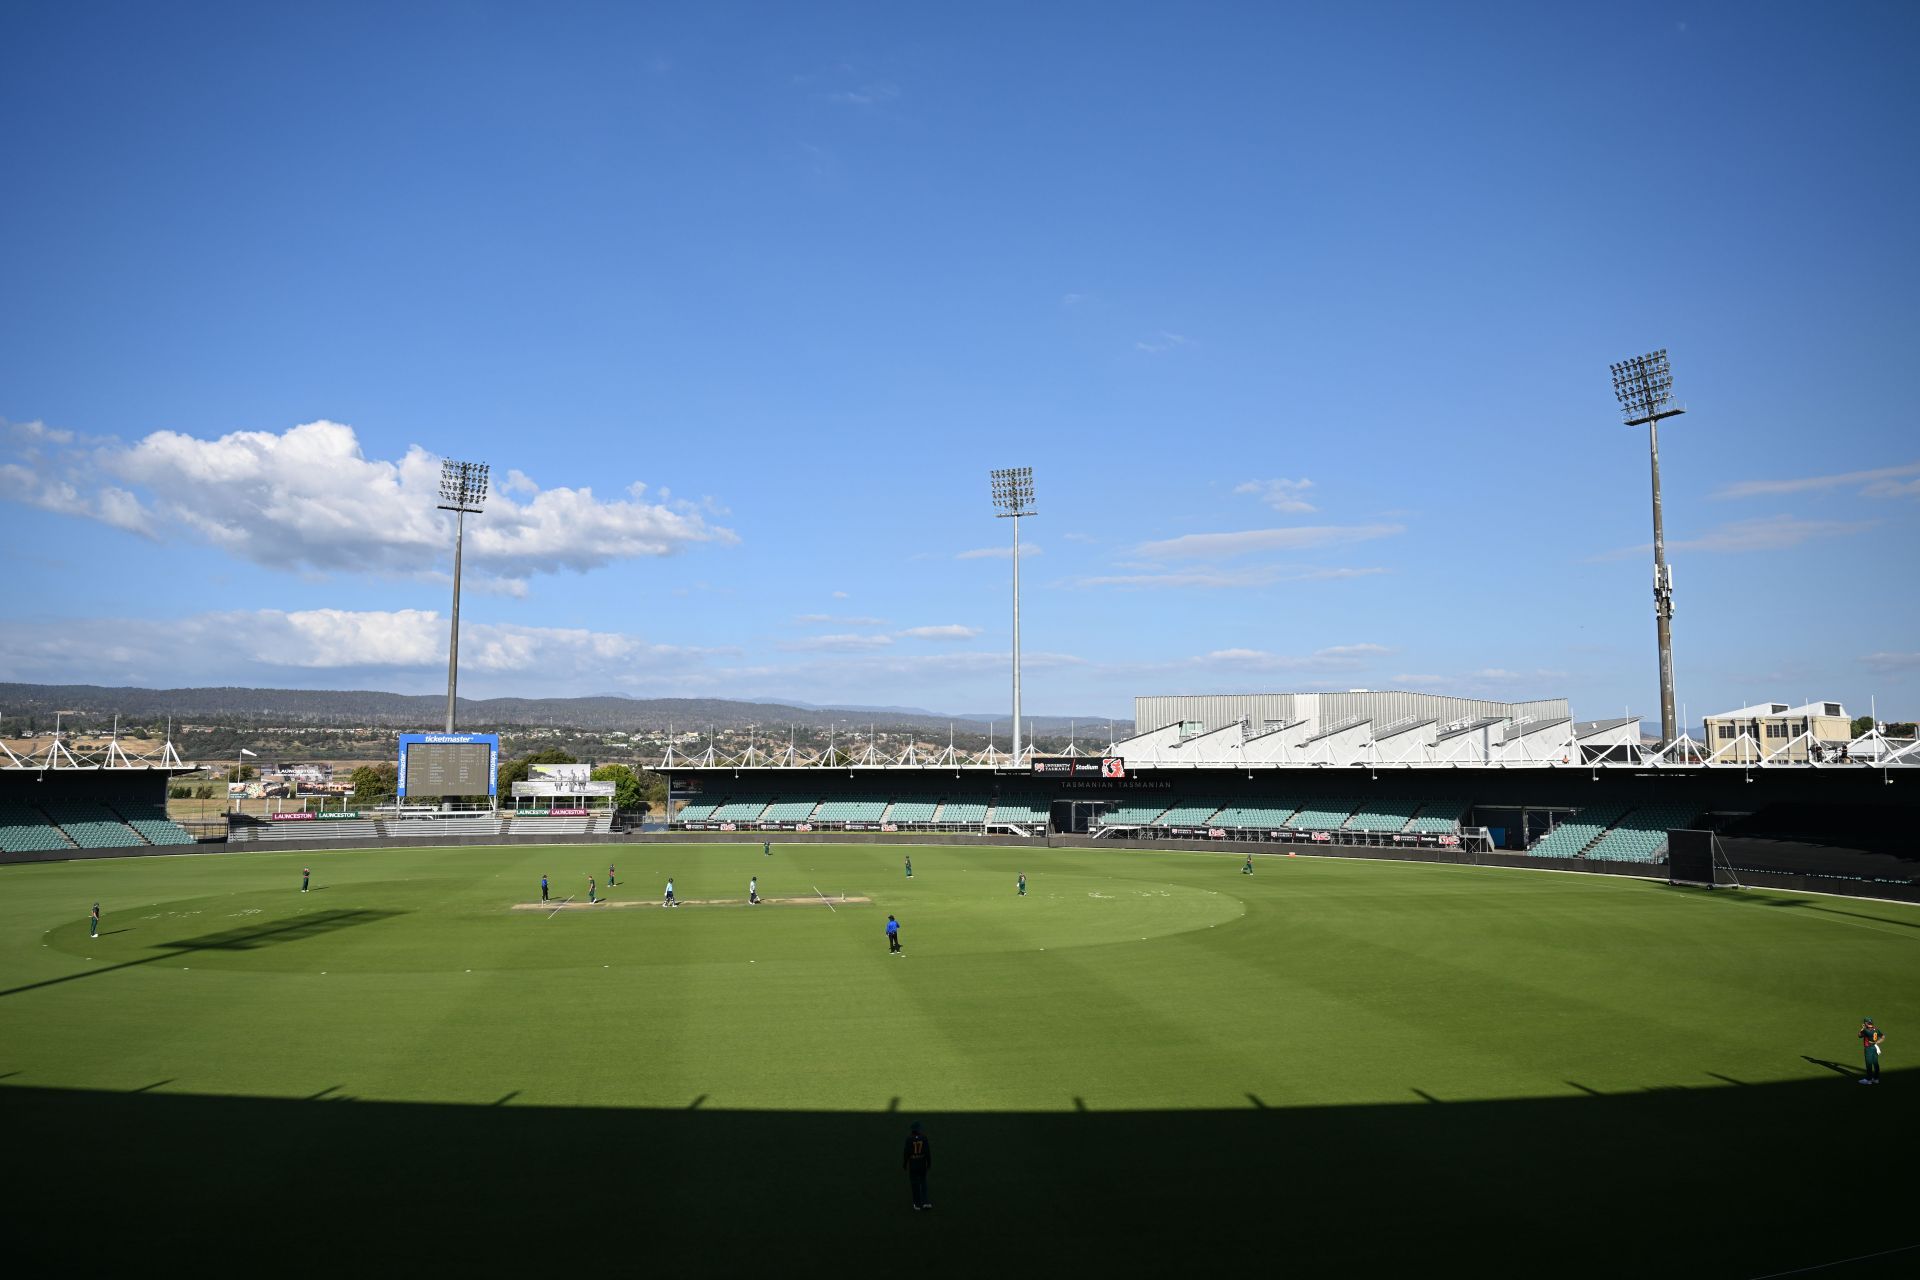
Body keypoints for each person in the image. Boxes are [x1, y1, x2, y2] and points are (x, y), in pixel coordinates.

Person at [903, 1121, 933, 1210]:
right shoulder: (924, 1138)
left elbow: (906, 1153)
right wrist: (929, 1163)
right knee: (923, 1183)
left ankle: (917, 1204)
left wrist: (905, 1164)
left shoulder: (909, 1139)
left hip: (913, 1165)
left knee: (914, 1184)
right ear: (919, 1130)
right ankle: (925, 1202)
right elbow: (927, 1152)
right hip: (922, 1164)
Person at [1860, 1018, 1885, 1084]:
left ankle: (1868, 1080)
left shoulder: (1866, 1030)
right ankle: (1876, 1079)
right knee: (1875, 1063)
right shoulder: (1876, 1029)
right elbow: (1883, 1037)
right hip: (1875, 1047)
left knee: (1869, 1064)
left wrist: (1862, 1028)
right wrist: (1877, 1042)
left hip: (1868, 1049)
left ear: (1866, 1023)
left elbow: (1859, 1035)